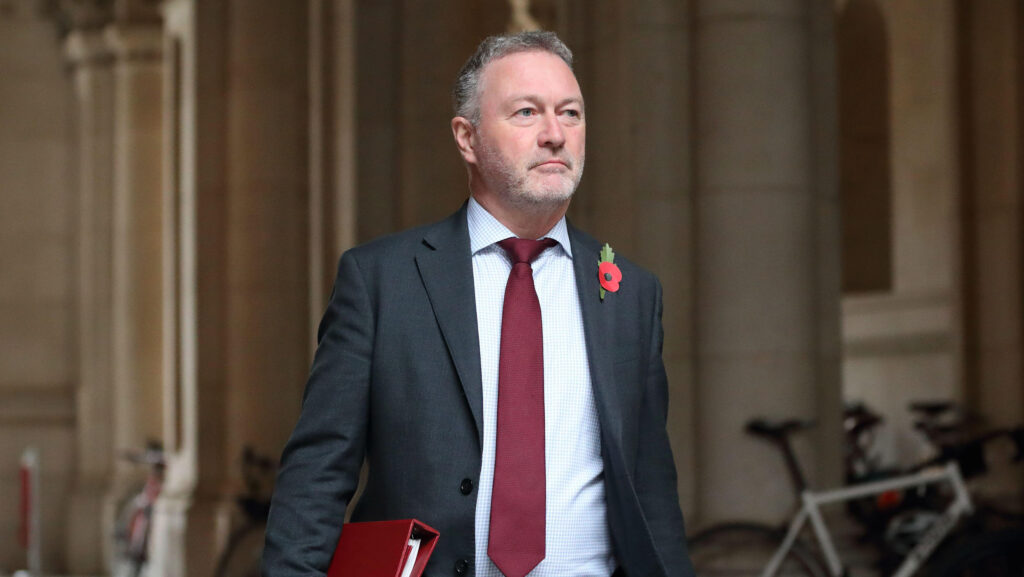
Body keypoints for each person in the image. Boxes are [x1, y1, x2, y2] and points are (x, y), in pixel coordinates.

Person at [262, 31, 694, 577]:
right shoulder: (381, 281)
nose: (555, 134)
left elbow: (652, 490)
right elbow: (317, 473)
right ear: (467, 138)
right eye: (526, 112)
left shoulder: (630, 293)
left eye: (570, 113)